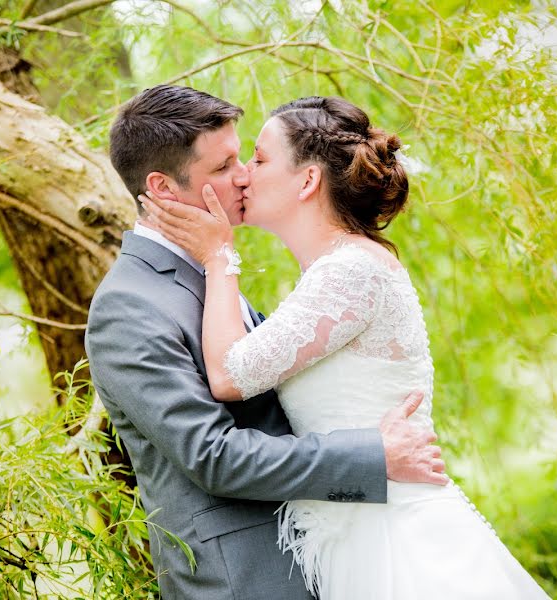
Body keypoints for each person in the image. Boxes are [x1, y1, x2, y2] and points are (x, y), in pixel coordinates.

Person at [141, 96, 551, 599]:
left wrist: (219, 255)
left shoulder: (350, 271)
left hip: (394, 541)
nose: (244, 175)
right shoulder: (328, 272)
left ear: (308, 181)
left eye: (259, 159)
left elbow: (227, 376)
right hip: (354, 531)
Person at [84, 85, 448, 600]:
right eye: (224, 165)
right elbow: (213, 456)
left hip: (327, 555)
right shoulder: (130, 305)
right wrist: (371, 455)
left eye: (247, 158)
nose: (244, 176)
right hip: (245, 579)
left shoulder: (210, 273)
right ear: (163, 188)